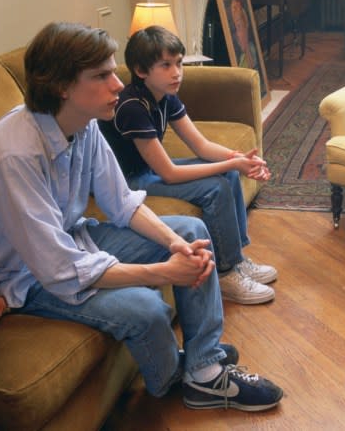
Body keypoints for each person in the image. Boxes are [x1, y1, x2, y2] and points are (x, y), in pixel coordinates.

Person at [0, 22, 283, 411]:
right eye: (102, 75)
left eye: (115, 71)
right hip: (20, 276)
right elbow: (60, 269)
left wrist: (176, 246)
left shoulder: (84, 124)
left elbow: (123, 203)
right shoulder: (14, 155)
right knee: (147, 309)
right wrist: (165, 272)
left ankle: (203, 369)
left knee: (192, 231)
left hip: (72, 237)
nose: (119, 83)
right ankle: (176, 377)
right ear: (62, 85)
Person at [98, 25, 276, 305]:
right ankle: (226, 273)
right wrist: (231, 165)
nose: (176, 72)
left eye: (179, 63)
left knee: (227, 171)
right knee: (216, 187)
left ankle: (237, 259)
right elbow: (168, 173)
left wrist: (240, 159)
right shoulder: (132, 106)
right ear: (141, 71)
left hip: (148, 171)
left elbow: (202, 146)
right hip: (128, 181)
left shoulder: (166, 96)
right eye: (166, 65)